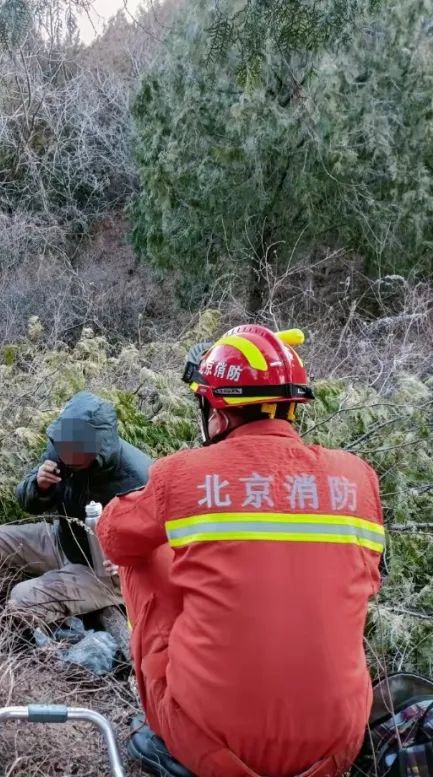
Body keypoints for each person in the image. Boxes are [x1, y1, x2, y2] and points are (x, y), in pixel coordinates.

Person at [98, 325, 385, 777]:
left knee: (144, 556)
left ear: (217, 412)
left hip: (214, 747)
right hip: (337, 745)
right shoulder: (358, 477)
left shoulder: (185, 475)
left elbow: (114, 537)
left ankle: (174, 714)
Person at [0, 391, 151, 625]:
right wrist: (39, 486)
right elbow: (27, 502)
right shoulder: (63, 449)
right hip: (62, 539)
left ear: (97, 447)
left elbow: (161, 546)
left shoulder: (138, 478)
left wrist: (127, 564)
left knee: (23, 599)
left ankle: (56, 634)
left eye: (75, 450)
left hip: (103, 573)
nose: (66, 455)